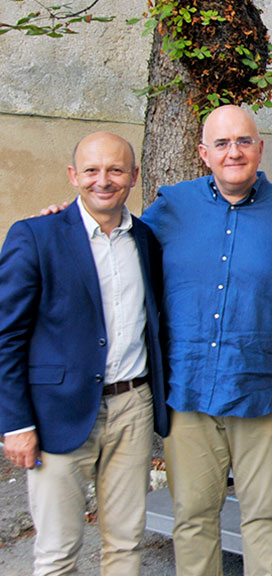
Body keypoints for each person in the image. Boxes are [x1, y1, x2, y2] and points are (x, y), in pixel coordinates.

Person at [144, 105, 272, 575]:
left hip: (264, 388)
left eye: (244, 141)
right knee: (192, 516)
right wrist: (64, 220)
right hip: (188, 389)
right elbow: (119, 248)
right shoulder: (170, 208)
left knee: (264, 515)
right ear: (204, 153)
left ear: (260, 148)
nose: (234, 152)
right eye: (222, 144)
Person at [0, 132, 168, 575]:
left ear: (133, 176)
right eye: (91, 170)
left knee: (126, 543)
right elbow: (7, 337)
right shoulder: (36, 235)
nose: (103, 181)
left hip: (132, 407)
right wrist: (15, 423)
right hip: (57, 413)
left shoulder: (146, 241)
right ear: (73, 176)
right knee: (57, 551)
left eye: (115, 170)